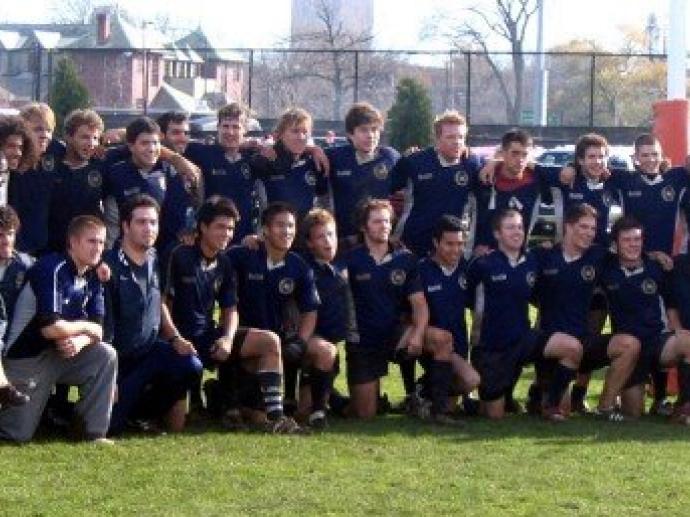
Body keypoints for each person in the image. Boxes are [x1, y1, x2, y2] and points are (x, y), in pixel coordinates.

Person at [0, 216, 116, 443]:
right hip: (27, 358)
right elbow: (50, 328)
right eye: (91, 241)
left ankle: (90, 432)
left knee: (106, 355)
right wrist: (84, 328)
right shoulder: (52, 268)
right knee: (15, 435)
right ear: (73, 242)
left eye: (101, 243)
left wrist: (80, 341)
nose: (98, 248)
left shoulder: (94, 275)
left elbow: (99, 330)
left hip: (61, 353)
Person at [103, 194, 203, 435]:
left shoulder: (155, 257)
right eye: (141, 222)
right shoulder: (107, 265)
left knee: (190, 366)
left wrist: (175, 338)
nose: (149, 228)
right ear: (125, 226)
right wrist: (107, 377)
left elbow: (159, 303)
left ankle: (143, 415)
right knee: (111, 427)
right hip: (119, 360)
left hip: (149, 351)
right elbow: (101, 323)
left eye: (153, 222)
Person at [531, 204, 639, 420]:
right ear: (568, 227)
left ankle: (605, 408)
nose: (589, 233)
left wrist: (654, 256)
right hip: (552, 345)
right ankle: (540, 392)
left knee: (629, 344)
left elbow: (628, 251)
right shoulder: (543, 256)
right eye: (583, 227)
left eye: (593, 229)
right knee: (563, 410)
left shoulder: (598, 256)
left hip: (582, 341)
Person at [227, 202, 324, 433]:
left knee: (257, 416)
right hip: (236, 339)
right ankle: (278, 418)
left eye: (291, 226)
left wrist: (300, 341)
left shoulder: (298, 266)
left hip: (274, 345)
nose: (287, 231)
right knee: (269, 341)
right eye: (280, 225)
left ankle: (309, 407)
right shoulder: (242, 255)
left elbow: (310, 311)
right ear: (265, 230)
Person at [590, 216, 690, 422]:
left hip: (657, 342)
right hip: (629, 349)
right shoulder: (606, 268)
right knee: (633, 413)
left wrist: (678, 328)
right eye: (627, 240)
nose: (633, 244)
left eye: (637, 239)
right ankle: (607, 405)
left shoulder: (656, 266)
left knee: (688, 341)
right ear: (615, 243)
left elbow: (670, 302)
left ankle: (683, 406)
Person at [341, 199, 429, 419]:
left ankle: (420, 394)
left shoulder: (405, 258)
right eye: (377, 221)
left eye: (387, 221)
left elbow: (419, 304)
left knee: (441, 340)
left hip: (396, 335)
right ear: (364, 226)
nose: (384, 226)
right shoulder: (350, 258)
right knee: (365, 414)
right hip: (363, 341)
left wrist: (417, 335)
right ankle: (338, 400)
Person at [103, 117, 201, 252]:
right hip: (125, 252)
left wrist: (188, 230)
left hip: (163, 251)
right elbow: (111, 221)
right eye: (144, 143)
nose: (151, 148)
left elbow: (181, 213)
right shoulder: (116, 174)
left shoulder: (171, 171)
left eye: (155, 143)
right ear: (131, 146)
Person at [392, 110, 482, 258]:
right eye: (450, 137)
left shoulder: (472, 164)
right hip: (414, 246)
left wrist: (494, 162)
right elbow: (385, 189)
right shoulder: (415, 161)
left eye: (461, 137)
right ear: (437, 139)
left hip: (452, 250)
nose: (457, 142)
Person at [417, 215, 481, 420]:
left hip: (460, 346)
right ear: (436, 242)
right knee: (471, 380)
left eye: (460, 244)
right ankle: (429, 398)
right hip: (434, 345)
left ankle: (423, 394)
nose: (456, 249)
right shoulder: (421, 270)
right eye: (449, 244)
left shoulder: (466, 268)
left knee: (454, 400)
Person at [324, 102, 400, 249]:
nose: (370, 135)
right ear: (350, 134)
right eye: (364, 130)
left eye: (374, 129)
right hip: (343, 240)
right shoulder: (333, 157)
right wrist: (312, 149)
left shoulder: (391, 157)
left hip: (379, 240)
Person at [298, 208, 346, 427]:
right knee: (326, 351)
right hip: (299, 337)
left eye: (331, 234)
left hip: (328, 338)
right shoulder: (300, 266)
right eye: (321, 236)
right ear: (309, 243)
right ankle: (319, 413)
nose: (328, 242)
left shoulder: (338, 269)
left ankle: (326, 397)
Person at [251, 108, 327, 222]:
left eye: (305, 132)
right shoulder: (264, 160)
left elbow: (324, 196)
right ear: (279, 135)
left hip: (305, 235)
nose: (301, 137)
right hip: (273, 234)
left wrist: (314, 149)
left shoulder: (315, 162)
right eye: (295, 131)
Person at [47, 109, 107, 252]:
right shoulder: (51, 160)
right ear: (68, 136)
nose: (91, 143)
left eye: (95, 138)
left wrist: (113, 136)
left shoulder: (101, 165)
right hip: (52, 248)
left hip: (87, 251)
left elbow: (133, 138)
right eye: (85, 137)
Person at [9, 104, 63, 256]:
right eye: (38, 129)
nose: (45, 134)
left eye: (49, 130)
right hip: (13, 244)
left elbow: (83, 147)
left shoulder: (55, 151)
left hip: (44, 243)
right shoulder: (11, 155)